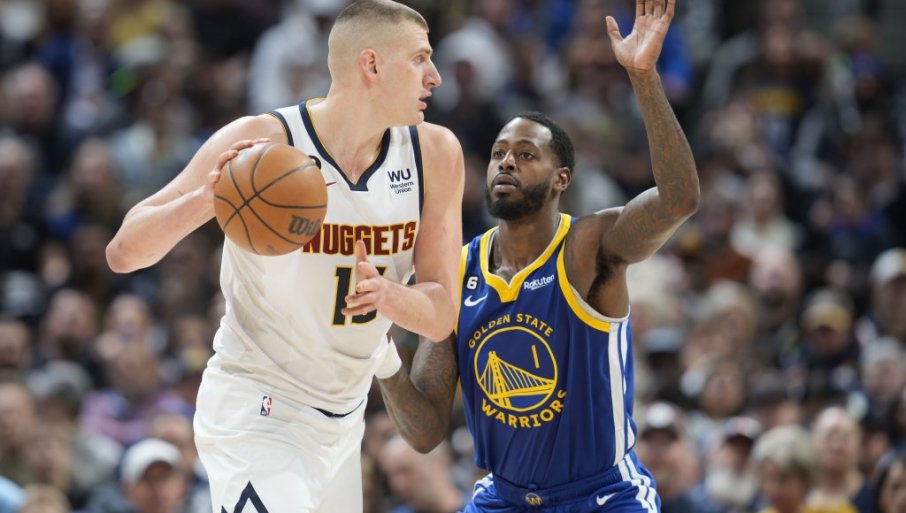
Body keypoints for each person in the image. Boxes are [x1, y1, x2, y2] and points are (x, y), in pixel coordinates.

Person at [105, 1, 465, 512]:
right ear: (371, 64)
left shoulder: (436, 154)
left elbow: (441, 313)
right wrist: (207, 198)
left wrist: (389, 295)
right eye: (420, 59)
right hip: (257, 410)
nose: (435, 77)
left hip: (344, 421)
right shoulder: (263, 141)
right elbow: (123, 252)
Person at [378, 1, 699, 511]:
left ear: (560, 179)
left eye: (526, 154)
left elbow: (679, 199)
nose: (506, 162)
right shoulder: (457, 270)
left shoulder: (588, 247)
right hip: (504, 497)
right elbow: (424, 431)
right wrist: (380, 352)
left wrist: (643, 78)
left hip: (602, 495)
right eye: (500, 154)